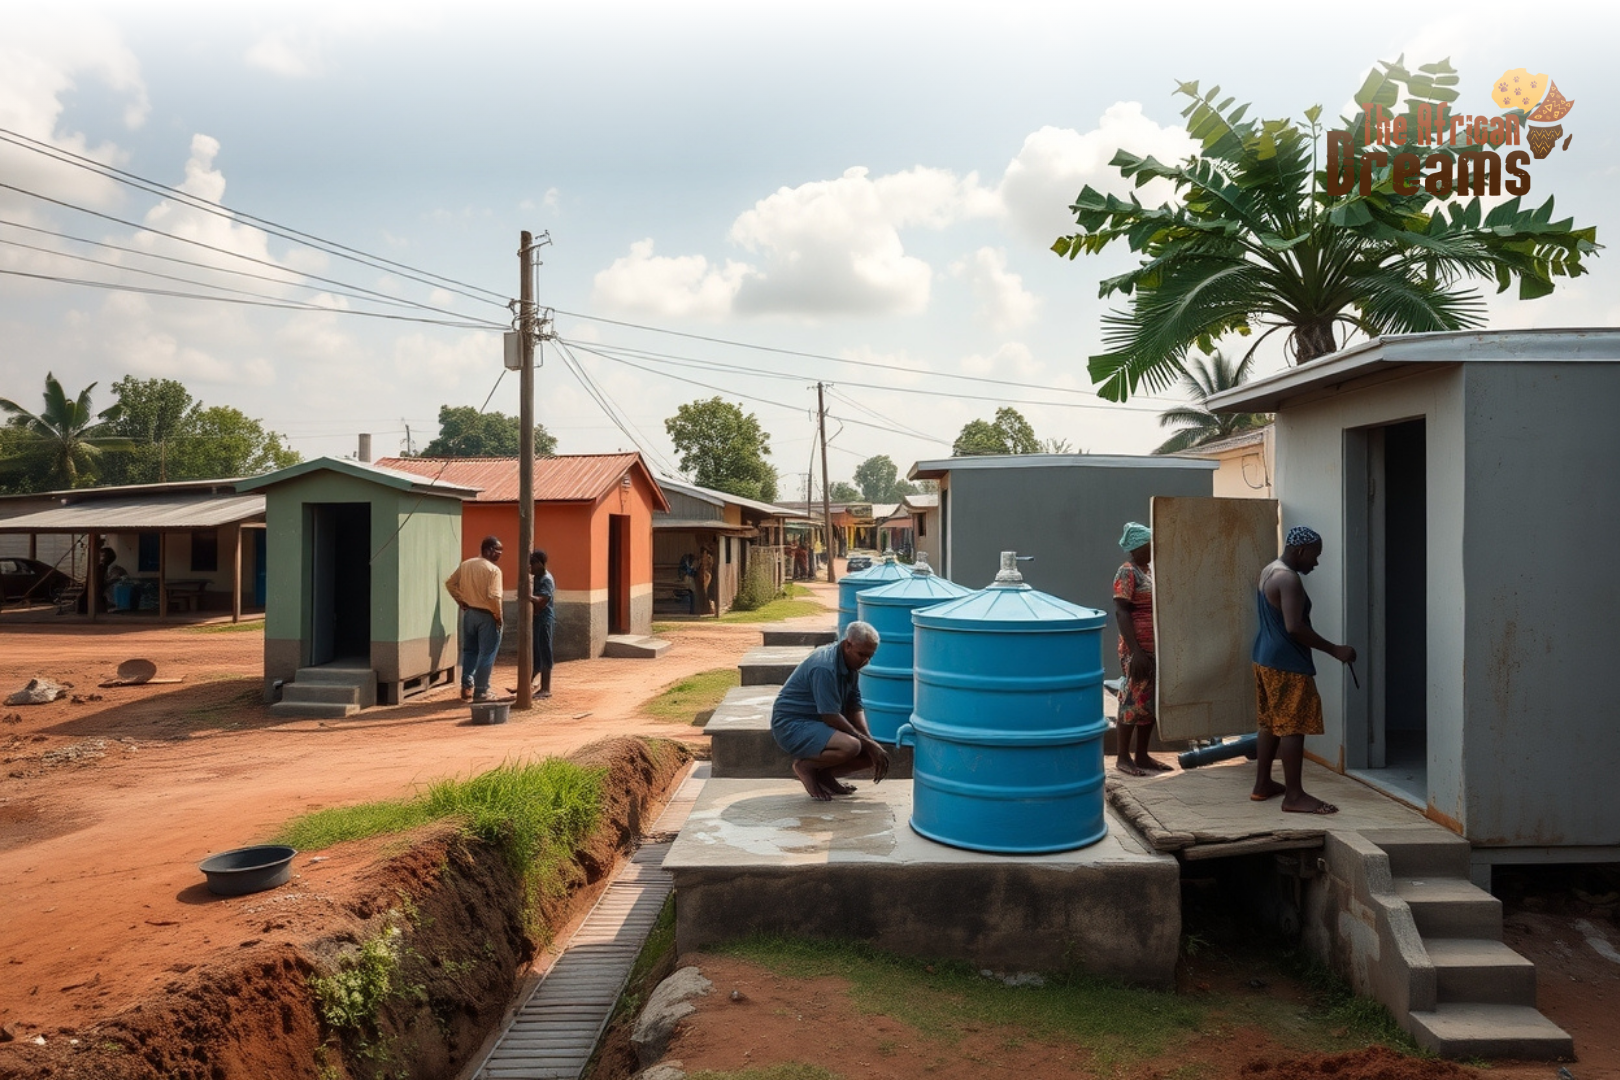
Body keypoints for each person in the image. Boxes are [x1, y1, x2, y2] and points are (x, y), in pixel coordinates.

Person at [1251, 526, 1357, 814]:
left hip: (1263, 657)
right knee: (1293, 727)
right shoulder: (1289, 580)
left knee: (1270, 722)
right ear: (1301, 550)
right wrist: (1336, 650)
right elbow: (1294, 627)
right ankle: (1294, 796)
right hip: (1286, 663)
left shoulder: (1269, 570)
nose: (1316, 562)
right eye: (1315, 555)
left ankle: (1262, 785)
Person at [770, 621, 891, 801]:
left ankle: (824, 774)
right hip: (792, 726)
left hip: (818, 725)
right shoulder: (824, 667)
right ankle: (806, 767)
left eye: (870, 657)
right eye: (862, 654)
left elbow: (854, 707)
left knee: (871, 755)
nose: (865, 661)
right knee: (852, 746)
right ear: (847, 644)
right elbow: (830, 716)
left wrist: (871, 743)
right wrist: (865, 742)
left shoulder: (851, 666)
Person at [1112, 522, 1172, 775]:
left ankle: (1143, 755)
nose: (1152, 549)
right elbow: (1121, 610)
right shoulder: (1127, 572)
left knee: (1149, 701)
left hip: (1154, 647)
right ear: (1137, 549)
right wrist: (1136, 651)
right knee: (1132, 698)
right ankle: (1123, 757)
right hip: (1136, 648)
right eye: (1148, 546)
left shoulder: (1149, 570)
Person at [445, 535, 504, 702]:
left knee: (470, 651)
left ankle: (467, 685)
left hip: (469, 614)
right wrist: (497, 616)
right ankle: (481, 690)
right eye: (498, 550)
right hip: (487, 615)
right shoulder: (493, 571)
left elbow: (450, 583)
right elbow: (494, 596)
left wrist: (460, 600)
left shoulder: (466, 565)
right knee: (487, 653)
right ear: (488, 550)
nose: (500, 554)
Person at [529, 549, 555, 699]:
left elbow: (543, 600)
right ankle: (528, 683)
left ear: (540, 564)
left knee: (545, 651)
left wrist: (529, 597)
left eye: (532, 565)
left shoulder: (546, 579)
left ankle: (546, 688)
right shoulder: (536, 577)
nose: (530, 568)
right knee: (536, 652)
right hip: (537, 618)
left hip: (545, 618)